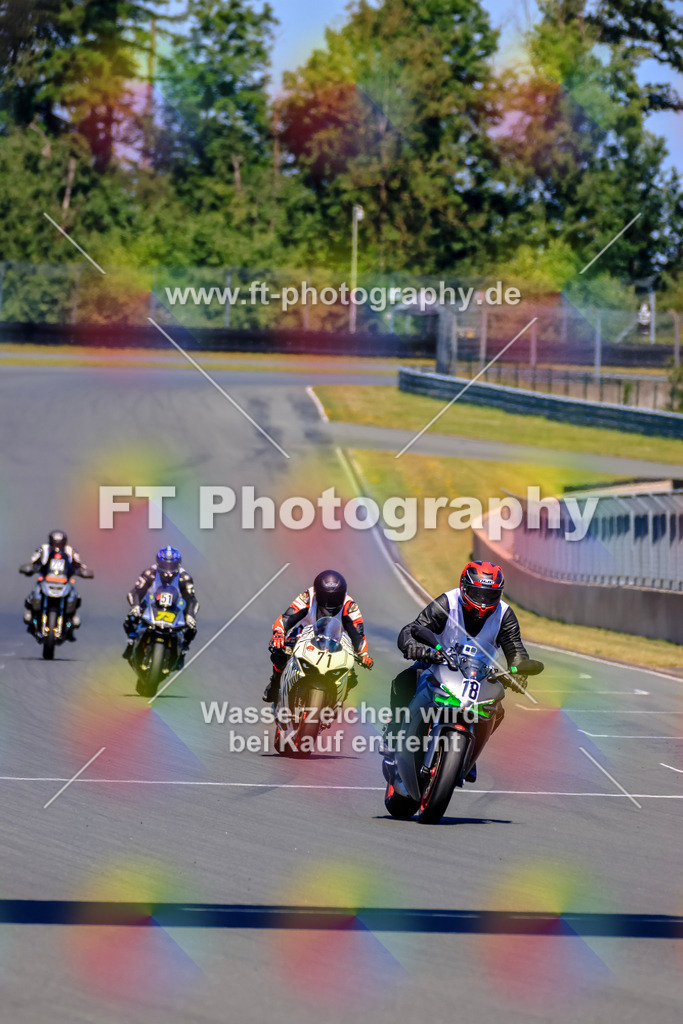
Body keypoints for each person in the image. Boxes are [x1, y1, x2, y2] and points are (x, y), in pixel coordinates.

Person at [384, 560, 536, 782]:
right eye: (477, 593)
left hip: (479, 676)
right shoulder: (449, 602)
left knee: (497, 710)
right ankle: (395, 734)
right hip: (439, 664)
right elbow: (414, 628)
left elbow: (516, 650)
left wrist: (519, 672)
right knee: (405, 681)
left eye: (489, 595)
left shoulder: (504, 614)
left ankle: (469, 755)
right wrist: (415, 647)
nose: (483, 602)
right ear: (464, 587)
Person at [263, 569, 374, 703]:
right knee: (280, 655)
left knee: (351, 677)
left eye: (335, 597)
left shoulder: (350, 606)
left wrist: (363, 655)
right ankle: (275, 685)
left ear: (343, 595)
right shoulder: (307, 597)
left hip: (336, 641)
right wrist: (279, 633)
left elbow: (358, 635)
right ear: (317, 593)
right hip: (304, 634)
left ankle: (336, 701)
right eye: (326, 597)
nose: (330, 602)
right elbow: (287, 618)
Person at [123, 546, 198, 664]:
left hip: (174, 608)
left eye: (171, 566)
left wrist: (190, 615)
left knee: (192, 627)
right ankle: (131, 641)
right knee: (131, 617)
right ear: (158, 563)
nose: (168, 571)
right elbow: (136, 592)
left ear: (178, 564)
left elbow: (191, 599)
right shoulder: (149, 573)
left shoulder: (185, 578)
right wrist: (135, 606)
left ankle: (183, 650)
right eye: (165, 565)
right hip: (151, 604)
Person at [19, 530, 93, 639]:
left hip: (64, 582)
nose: (57, 546)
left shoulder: (70, 551)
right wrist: (30, 568)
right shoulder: (43, 549)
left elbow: (79, 565)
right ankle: (31, 615)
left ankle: (71, 620)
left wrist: (83, 571)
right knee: (33, 595)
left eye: (60, 543)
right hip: (46, 580)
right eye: (55, 543)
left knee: (75, 597)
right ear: (50, 542)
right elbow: (33, 562)